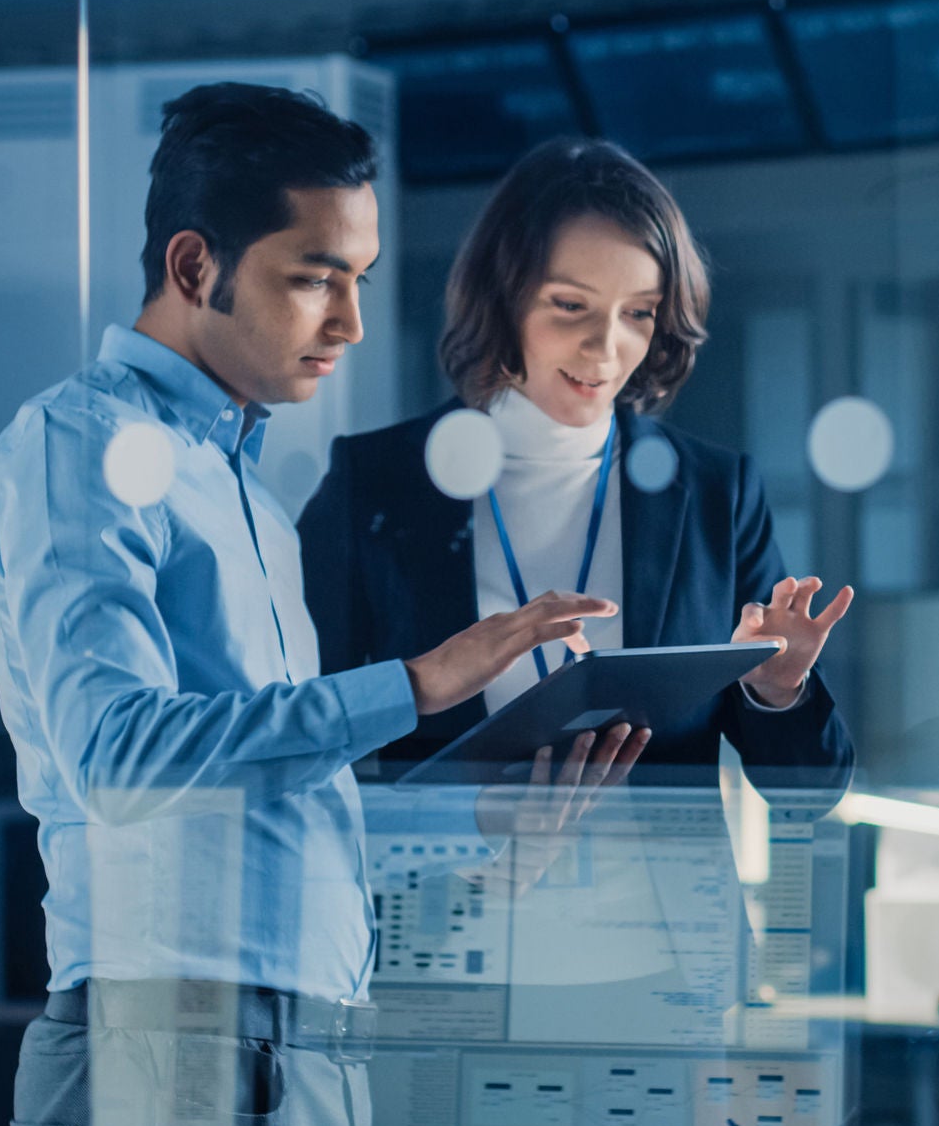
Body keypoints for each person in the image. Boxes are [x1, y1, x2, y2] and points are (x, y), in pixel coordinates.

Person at [0, 84, 633, 1126]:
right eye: (314, 278)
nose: (350, 322)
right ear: (194, 270)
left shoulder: (243, 492)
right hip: (173, 1040)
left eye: (358, 280)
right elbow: (118, 758)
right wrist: (416, 684)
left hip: (303, 1053)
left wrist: (476, 832)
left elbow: (262, 800)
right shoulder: (78, 447)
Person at [299, 137, 853, 790]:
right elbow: (300, 739)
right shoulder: (376, 483)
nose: (606, 347)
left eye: (639, 313)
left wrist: (779, 688)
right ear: (504, 297)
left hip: (660, 891)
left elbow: (809, 793)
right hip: (449, 889)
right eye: (570, 305)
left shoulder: (714, 495)